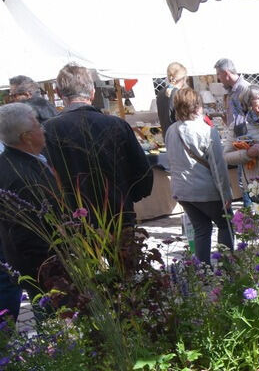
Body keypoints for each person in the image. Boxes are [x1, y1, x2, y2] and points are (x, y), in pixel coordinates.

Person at [44, 63, 153, 227]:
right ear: (93, 92)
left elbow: (45, 178)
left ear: (59, 93)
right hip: (117, 214)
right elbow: (142, 172)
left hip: (76, 221)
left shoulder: (49, 129)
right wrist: (125, 198)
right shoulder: (116, 125)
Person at [0, 103, 57, 321]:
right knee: (54, 323)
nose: (43, 129)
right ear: (26, 137)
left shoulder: (18, 161)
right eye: (37, 125)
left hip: (32, 263)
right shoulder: (20, 175)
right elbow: (28, 233)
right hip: (43, 267)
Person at [164, 88, 233, 263]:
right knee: (226, 225)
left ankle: (203, 270)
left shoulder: (171, 130)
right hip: (206, 190)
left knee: (201, 229)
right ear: (197, 106)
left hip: (183, 190)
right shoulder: (206, 130)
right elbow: (218, 166)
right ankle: (228, 268)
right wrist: (225, 193)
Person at [214, 58, 250, 127]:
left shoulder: (245, 89)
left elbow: (251, 116)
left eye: (218, 74)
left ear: (226, 73)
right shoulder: (231, 90)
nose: (218, 78)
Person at [155, 62, 187, 133]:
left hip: (167, 135)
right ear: (184, 78)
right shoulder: (179, 94)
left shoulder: (160, 93)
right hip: (178, 136)